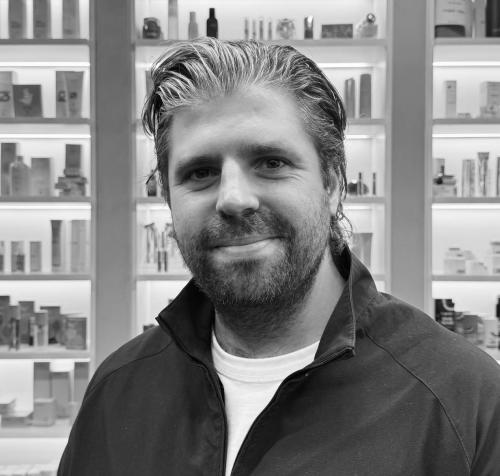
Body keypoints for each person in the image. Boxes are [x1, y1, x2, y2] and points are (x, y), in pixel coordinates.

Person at [58, 38, 500, 476]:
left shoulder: (461, 401)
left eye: (271, 163)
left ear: (332, 184)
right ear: (168, 200)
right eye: (201, 173)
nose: (234, 199)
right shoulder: (118, 392)